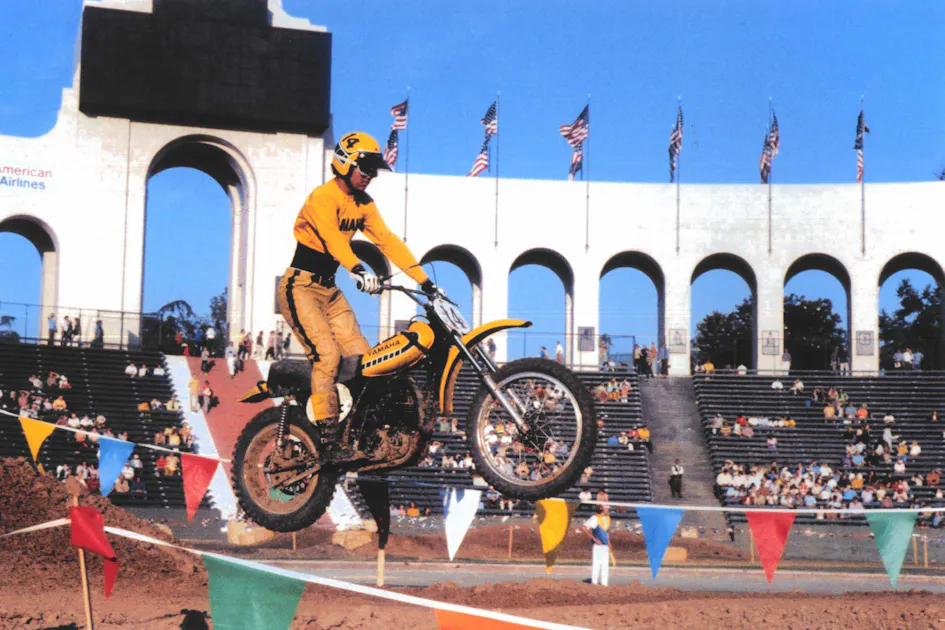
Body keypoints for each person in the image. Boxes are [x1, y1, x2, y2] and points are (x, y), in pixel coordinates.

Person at [276, 131, 439, 464]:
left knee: (365, 361)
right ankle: (327, 439)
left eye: (373, 170)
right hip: (300, 287)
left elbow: (387, 240)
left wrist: (425, 282)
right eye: (365, 168)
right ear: (345, 163)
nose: (370, 175)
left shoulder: (364, 204)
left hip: (329, 290)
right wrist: (357, 268)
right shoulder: (323, 197)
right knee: (327, 356)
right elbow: (332, 238)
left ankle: (360, 432)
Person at [580, 505, 611, 586]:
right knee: (596, 564)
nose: (608, 509)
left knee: (605, 565)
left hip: (605, 545)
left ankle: (604, 583)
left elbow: (607, 532)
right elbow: (583, 528)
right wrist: (594, 538)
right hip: (598, 546)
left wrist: (609, 543)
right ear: (601, 509)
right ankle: (594, 583)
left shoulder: (608, 518)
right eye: (606, 508)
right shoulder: (595, 518)